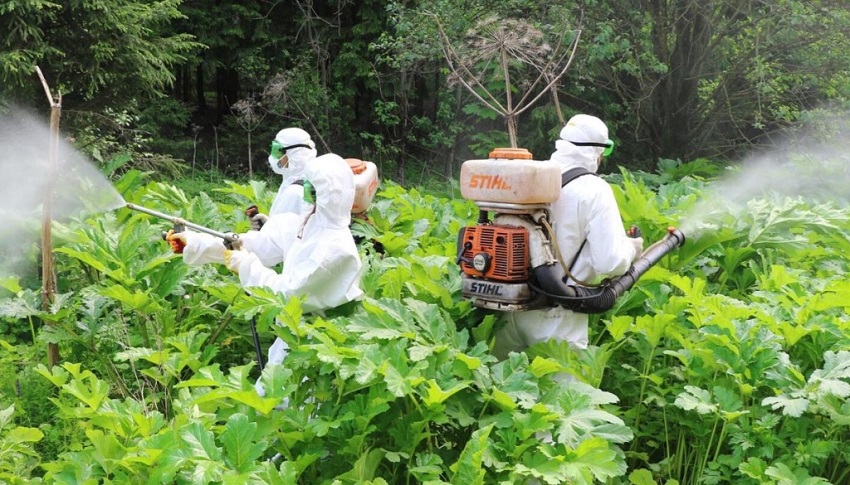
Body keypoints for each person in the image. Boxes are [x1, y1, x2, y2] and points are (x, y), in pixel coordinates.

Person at [165, 155, 363, 394]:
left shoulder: (336, 250)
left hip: (315, 348)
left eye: (311, 187)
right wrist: (194, 243)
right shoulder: (308, 222)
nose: (305, 193)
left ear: (326, 193)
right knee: (271, 402)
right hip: (290, 339)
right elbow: (259, 243)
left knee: (293, 409)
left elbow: (288, 295)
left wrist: (245, 264)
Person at [491, 114, 643, 363]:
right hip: (558, 318)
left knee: (501, 392)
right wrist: (632, 249)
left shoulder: (530, 178)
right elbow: (611, 263)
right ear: (600, 150)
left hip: (509, 310)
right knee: (565, 402)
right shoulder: (594, 189)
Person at [249, 127, 319, 230]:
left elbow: (279, 238)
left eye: (276, 150)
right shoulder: (309, 181)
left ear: (293, 154)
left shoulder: (295, 191)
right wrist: (268, 224)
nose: (273, 156)